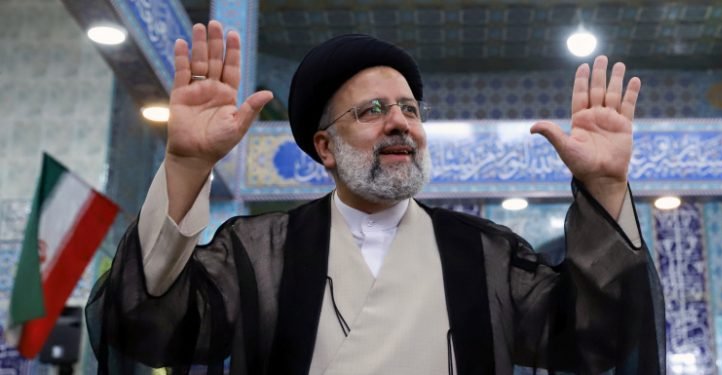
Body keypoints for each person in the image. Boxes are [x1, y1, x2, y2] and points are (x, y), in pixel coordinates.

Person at [86, 20, 665, 375]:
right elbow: (147, 325)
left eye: (410, 110)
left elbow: (598, 335)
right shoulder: (258, 251)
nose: (400, 123)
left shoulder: (484, 253)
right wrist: (188, 166)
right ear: (326, 147)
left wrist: (606, 186)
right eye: (373, 110)